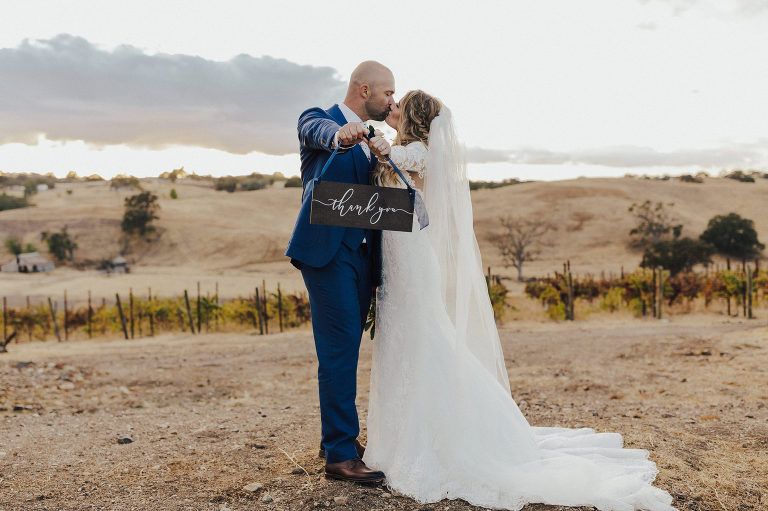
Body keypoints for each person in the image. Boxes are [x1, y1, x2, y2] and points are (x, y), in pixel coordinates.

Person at [363, 89, 677, 511]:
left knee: (423, 338)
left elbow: (391, 157)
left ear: (414, 116)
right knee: (409, 340)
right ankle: (405, 433)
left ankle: (440, 437)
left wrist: (367, 137)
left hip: (411, 260)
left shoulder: (417, 151)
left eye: (400, 103)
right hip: (398, 257)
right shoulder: (407, 148)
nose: (393, 107)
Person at [284, 61, 395, 484]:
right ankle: (340, 456)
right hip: (327, 255)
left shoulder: (374, 138)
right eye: (387, 93)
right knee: (339, 351)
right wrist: (339, 135)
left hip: (363, 258)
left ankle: (335, 439)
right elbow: (316, 132)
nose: (391, 100)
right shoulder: (320, 119)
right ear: (364, 89)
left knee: (348, 347)